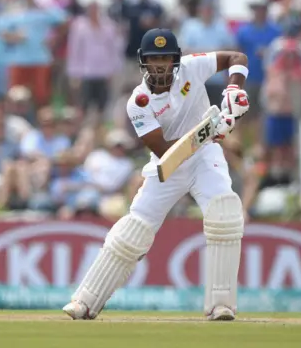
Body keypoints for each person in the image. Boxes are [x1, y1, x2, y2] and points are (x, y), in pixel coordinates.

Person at [62, 28, 250, 321]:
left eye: (165, 57)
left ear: (176, 59)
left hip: (206, 157)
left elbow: (237, 57)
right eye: (153, 58)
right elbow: (166, 150)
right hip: (170, 163)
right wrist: (214, 128)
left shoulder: (192, 66)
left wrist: (234, 89)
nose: (160, 64)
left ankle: (221, 305)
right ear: (143, 62)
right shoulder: (138, 102)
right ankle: (85, 301)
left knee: (225, 213)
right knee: (133, 230)